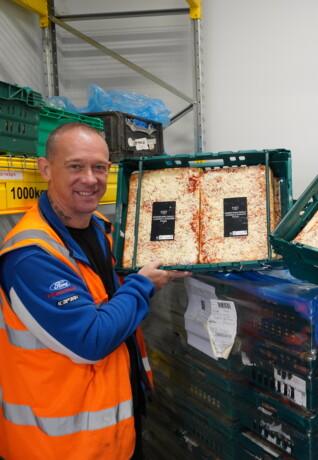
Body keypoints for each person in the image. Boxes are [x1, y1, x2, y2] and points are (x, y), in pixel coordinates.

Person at [0, 123, 191, 460]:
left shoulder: (103, 233)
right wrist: (143, 284)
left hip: (113, 430)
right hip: (60, 445)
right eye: (76, 166)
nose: (90, 179)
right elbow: (91, 339)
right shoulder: (32, 255)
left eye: (99, 167)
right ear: (46, 169)